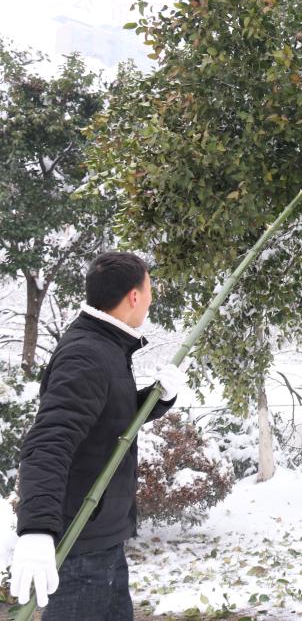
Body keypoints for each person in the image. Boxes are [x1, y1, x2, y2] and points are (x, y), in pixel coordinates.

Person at [9, 252, 188, 618]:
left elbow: (108, 419)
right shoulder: (87, 354)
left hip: (101, 541)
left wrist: (156, 399)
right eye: (149, 290)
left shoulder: (106, 346)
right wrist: (37, 529)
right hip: (80, 550)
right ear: (134, 296)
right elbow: (49, 442)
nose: (151, 300)